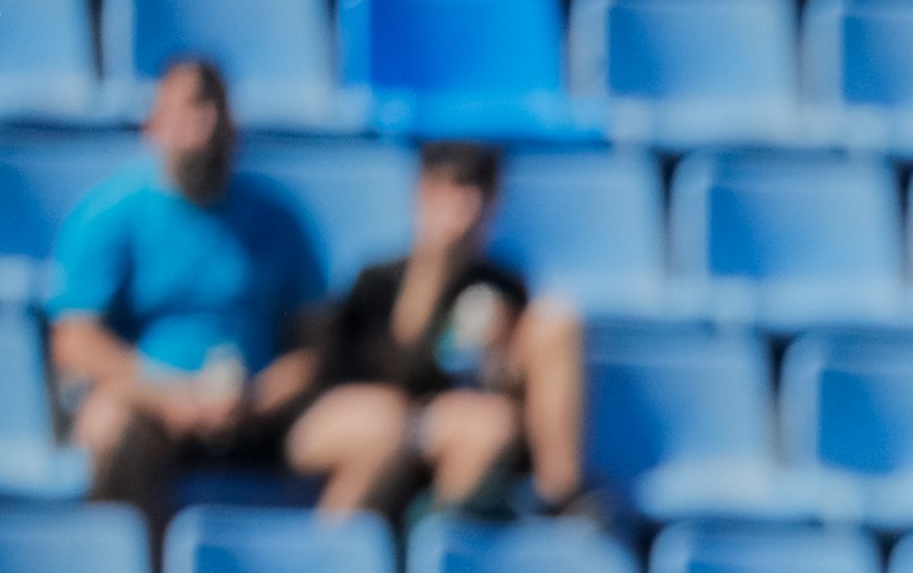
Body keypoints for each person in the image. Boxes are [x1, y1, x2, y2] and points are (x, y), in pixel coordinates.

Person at [45, 57, 328, 518]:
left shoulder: (278, 217)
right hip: (152, 411)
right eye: (189, 109)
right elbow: (74, 341)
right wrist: (171, 394)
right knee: (110, 426)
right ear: (152, 125)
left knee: (375, 429)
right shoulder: (110, 214)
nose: (205, 124)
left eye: (214, 108)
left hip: (261, 416)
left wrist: (260, 397)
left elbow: (315, 341)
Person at [283, 142, 590, 521]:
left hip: (452, 432)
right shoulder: (377, 281)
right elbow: (381, 376)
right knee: (390, 425)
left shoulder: (503, 286)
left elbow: (505, 390)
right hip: (374, 419)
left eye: (481, 192)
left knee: (487, 425)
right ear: (423, 194)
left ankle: (450, 539)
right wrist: (434, 270)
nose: (468, 208)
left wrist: (499, 360)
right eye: (453, 190)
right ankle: (333, 561)